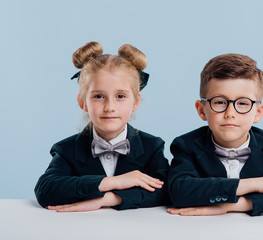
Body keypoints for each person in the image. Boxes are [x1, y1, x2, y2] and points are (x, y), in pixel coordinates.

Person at [167, 53, 263, 216]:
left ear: (258, 112)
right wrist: (256, 184)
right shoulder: (186, 145)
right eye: (220, 102)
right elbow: (180, 191)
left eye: (242, 103)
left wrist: (230, 206)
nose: (230, 113)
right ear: (201, 110)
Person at [35, 42, 169, 212]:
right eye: (98, 96)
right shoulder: (67, 149)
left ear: (135, 101)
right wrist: (113, 182)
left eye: (120, 96)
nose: (109, 107)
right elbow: (45, 189)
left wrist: (109, 199)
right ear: (82, 102)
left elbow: (167, 190)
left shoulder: (152, 146)